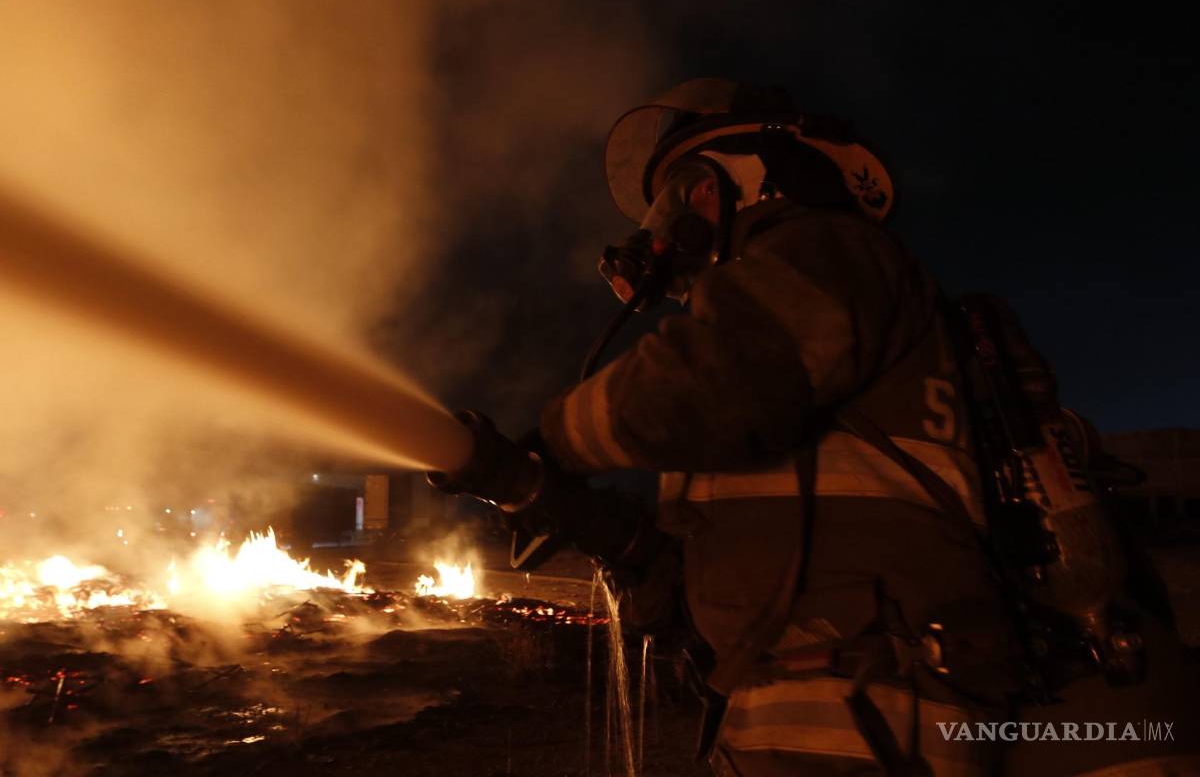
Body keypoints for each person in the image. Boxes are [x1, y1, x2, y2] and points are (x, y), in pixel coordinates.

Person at [429, 79, 1198, 776]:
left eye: (681, 197)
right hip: (806, 706)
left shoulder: (828, 254)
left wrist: (549, 440)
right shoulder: (773, 373)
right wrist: (535, 491)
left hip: (865, 713)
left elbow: (710, 381)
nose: (661, 234)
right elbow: (696, 560)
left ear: (746, 181)